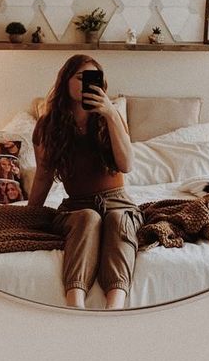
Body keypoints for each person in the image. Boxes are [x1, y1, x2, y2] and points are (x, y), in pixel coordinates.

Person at [27, 54, 140, 310]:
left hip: (118, 202)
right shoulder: (48, 126)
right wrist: (30, 215)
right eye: (80, 77)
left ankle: (115, 308)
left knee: (118, 220)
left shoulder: (110, 119)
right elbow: (43, 174)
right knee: (89, 218)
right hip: (76, 207)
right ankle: (75, 306)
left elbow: (126, 165)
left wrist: (111, 113)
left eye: (93, 79)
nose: (87, 83)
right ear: (65, 81)